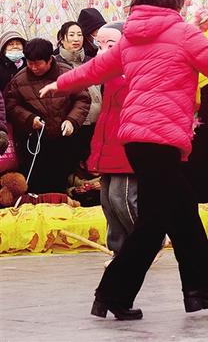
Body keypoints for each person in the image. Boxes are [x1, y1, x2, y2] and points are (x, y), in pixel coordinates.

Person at [40, 0, 208, 320]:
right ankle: (114, 294)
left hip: (137, 140)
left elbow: (96, 69)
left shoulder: (131, 38)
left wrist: (61, 83)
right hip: (162, 140)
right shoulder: (183, 33)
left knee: (180, 212)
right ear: (173, 0)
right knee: (155, 222)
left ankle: (197, 289)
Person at [4, 38, 90, 194]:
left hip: (64, 139)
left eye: (38, 63)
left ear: (50, 59)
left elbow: (82, 99)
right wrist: (29, 119)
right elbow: (11, 105)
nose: (33, 67)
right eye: (30, 63)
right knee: (36, 185)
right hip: (35, 142)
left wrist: (72, 121)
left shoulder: (67, 73)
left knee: (60, 183)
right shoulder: (19, 79)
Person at [87, 22, 138, 259]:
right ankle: (119, 249)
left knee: (122, 197)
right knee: (107, 199)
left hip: (127, 143)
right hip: (108, 140)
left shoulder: (137, 73)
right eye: (100, 46)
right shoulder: (107, 75)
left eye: (110, 45)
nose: (103, 52)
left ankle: (147, 239)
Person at [56, 21, 102, 171]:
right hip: (70, 124)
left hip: (95, 122)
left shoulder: (92, 61)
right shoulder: (56, 63)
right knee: (71, 166)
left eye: (79, 35)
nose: (76, 39)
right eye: (71, 35)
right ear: (62, 38)